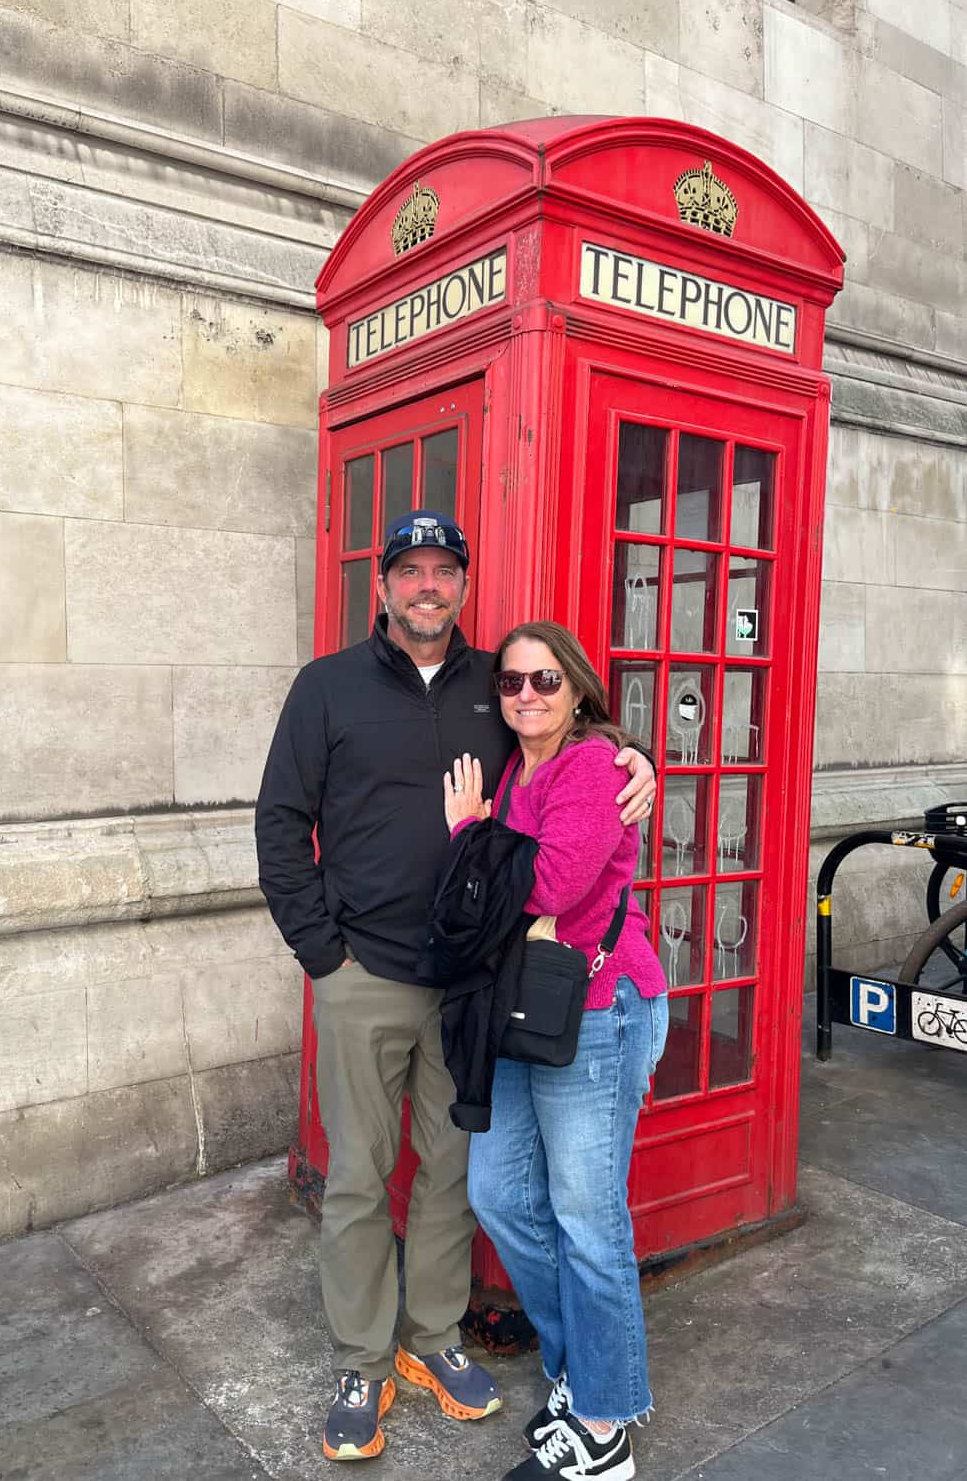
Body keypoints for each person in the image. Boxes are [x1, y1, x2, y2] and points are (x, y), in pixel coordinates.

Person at [255, 512, 656, 1463]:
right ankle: (362, 1357)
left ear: (463, 587)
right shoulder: (326, 688)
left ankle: (431, 1337)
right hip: (365, 973)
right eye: (411, 571)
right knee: (358, 1173)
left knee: (453, 1176)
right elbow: (279, 824)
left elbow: (583, 745)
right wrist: (323, 955)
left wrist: (643, 761)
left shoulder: (498, 682)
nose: (427, 587)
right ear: (383, 586)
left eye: (444, 571)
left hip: (477, 984)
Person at [443, 621, 669, 1481]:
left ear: (576, 689)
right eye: (510, 684)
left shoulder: (589, 765)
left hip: (600, 1009)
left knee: (586, 1217)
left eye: (543, 681)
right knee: (498, 1195)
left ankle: (605, 1426)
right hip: (521, 1007)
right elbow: (516, 888)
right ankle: (579, 1373)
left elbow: (548, 884)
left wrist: (468, 833)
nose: (525, 696)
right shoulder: (518, 765)